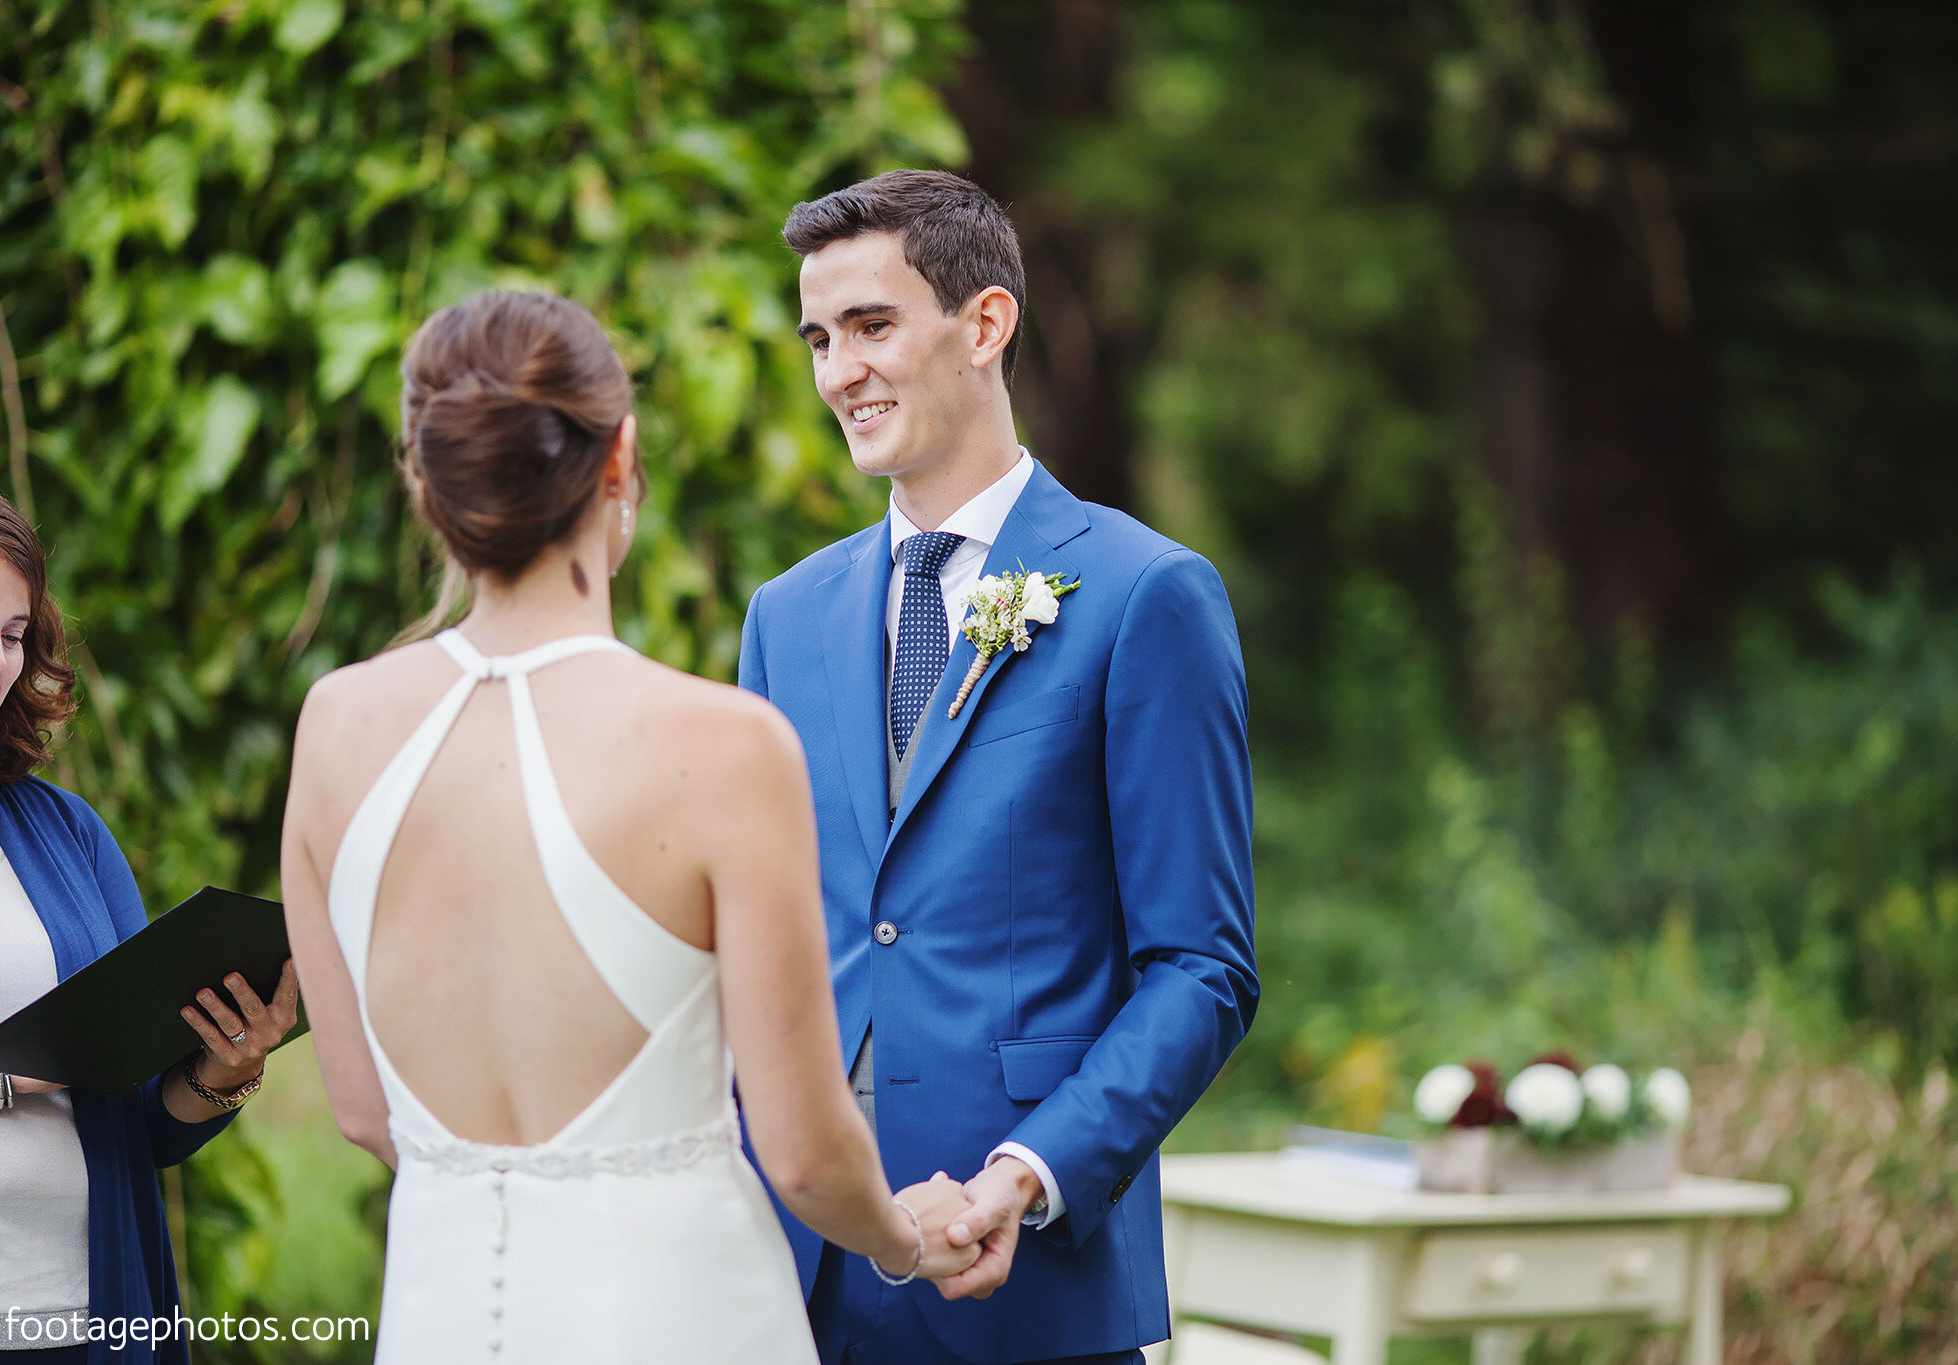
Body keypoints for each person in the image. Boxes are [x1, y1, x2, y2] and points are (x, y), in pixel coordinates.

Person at [280, 290, 981, 1364]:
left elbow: (366, 1114)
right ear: (620, 459)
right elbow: (800, 1152)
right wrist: (903, 1238)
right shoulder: (721, 744)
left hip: (443, 1311)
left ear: (427, 482)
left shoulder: (334, 726)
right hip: (681, 1313)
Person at [739, 169, 1259, 1364]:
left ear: (983, 325)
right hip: (793, 1285)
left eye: (870, 326)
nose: (836, 373)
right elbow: (761, 944)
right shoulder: (785, 617)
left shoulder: (1144, 597)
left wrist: (1026, 1176)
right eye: (818, 338)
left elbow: (1201, 966)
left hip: (1027, 1289)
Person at [0, 471, 299, 1365]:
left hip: (100, 1322)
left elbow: (144, 1121)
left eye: (11, 634)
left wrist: (224, 1067)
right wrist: (12, 1070)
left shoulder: (68, 833)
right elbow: (62, 1066)